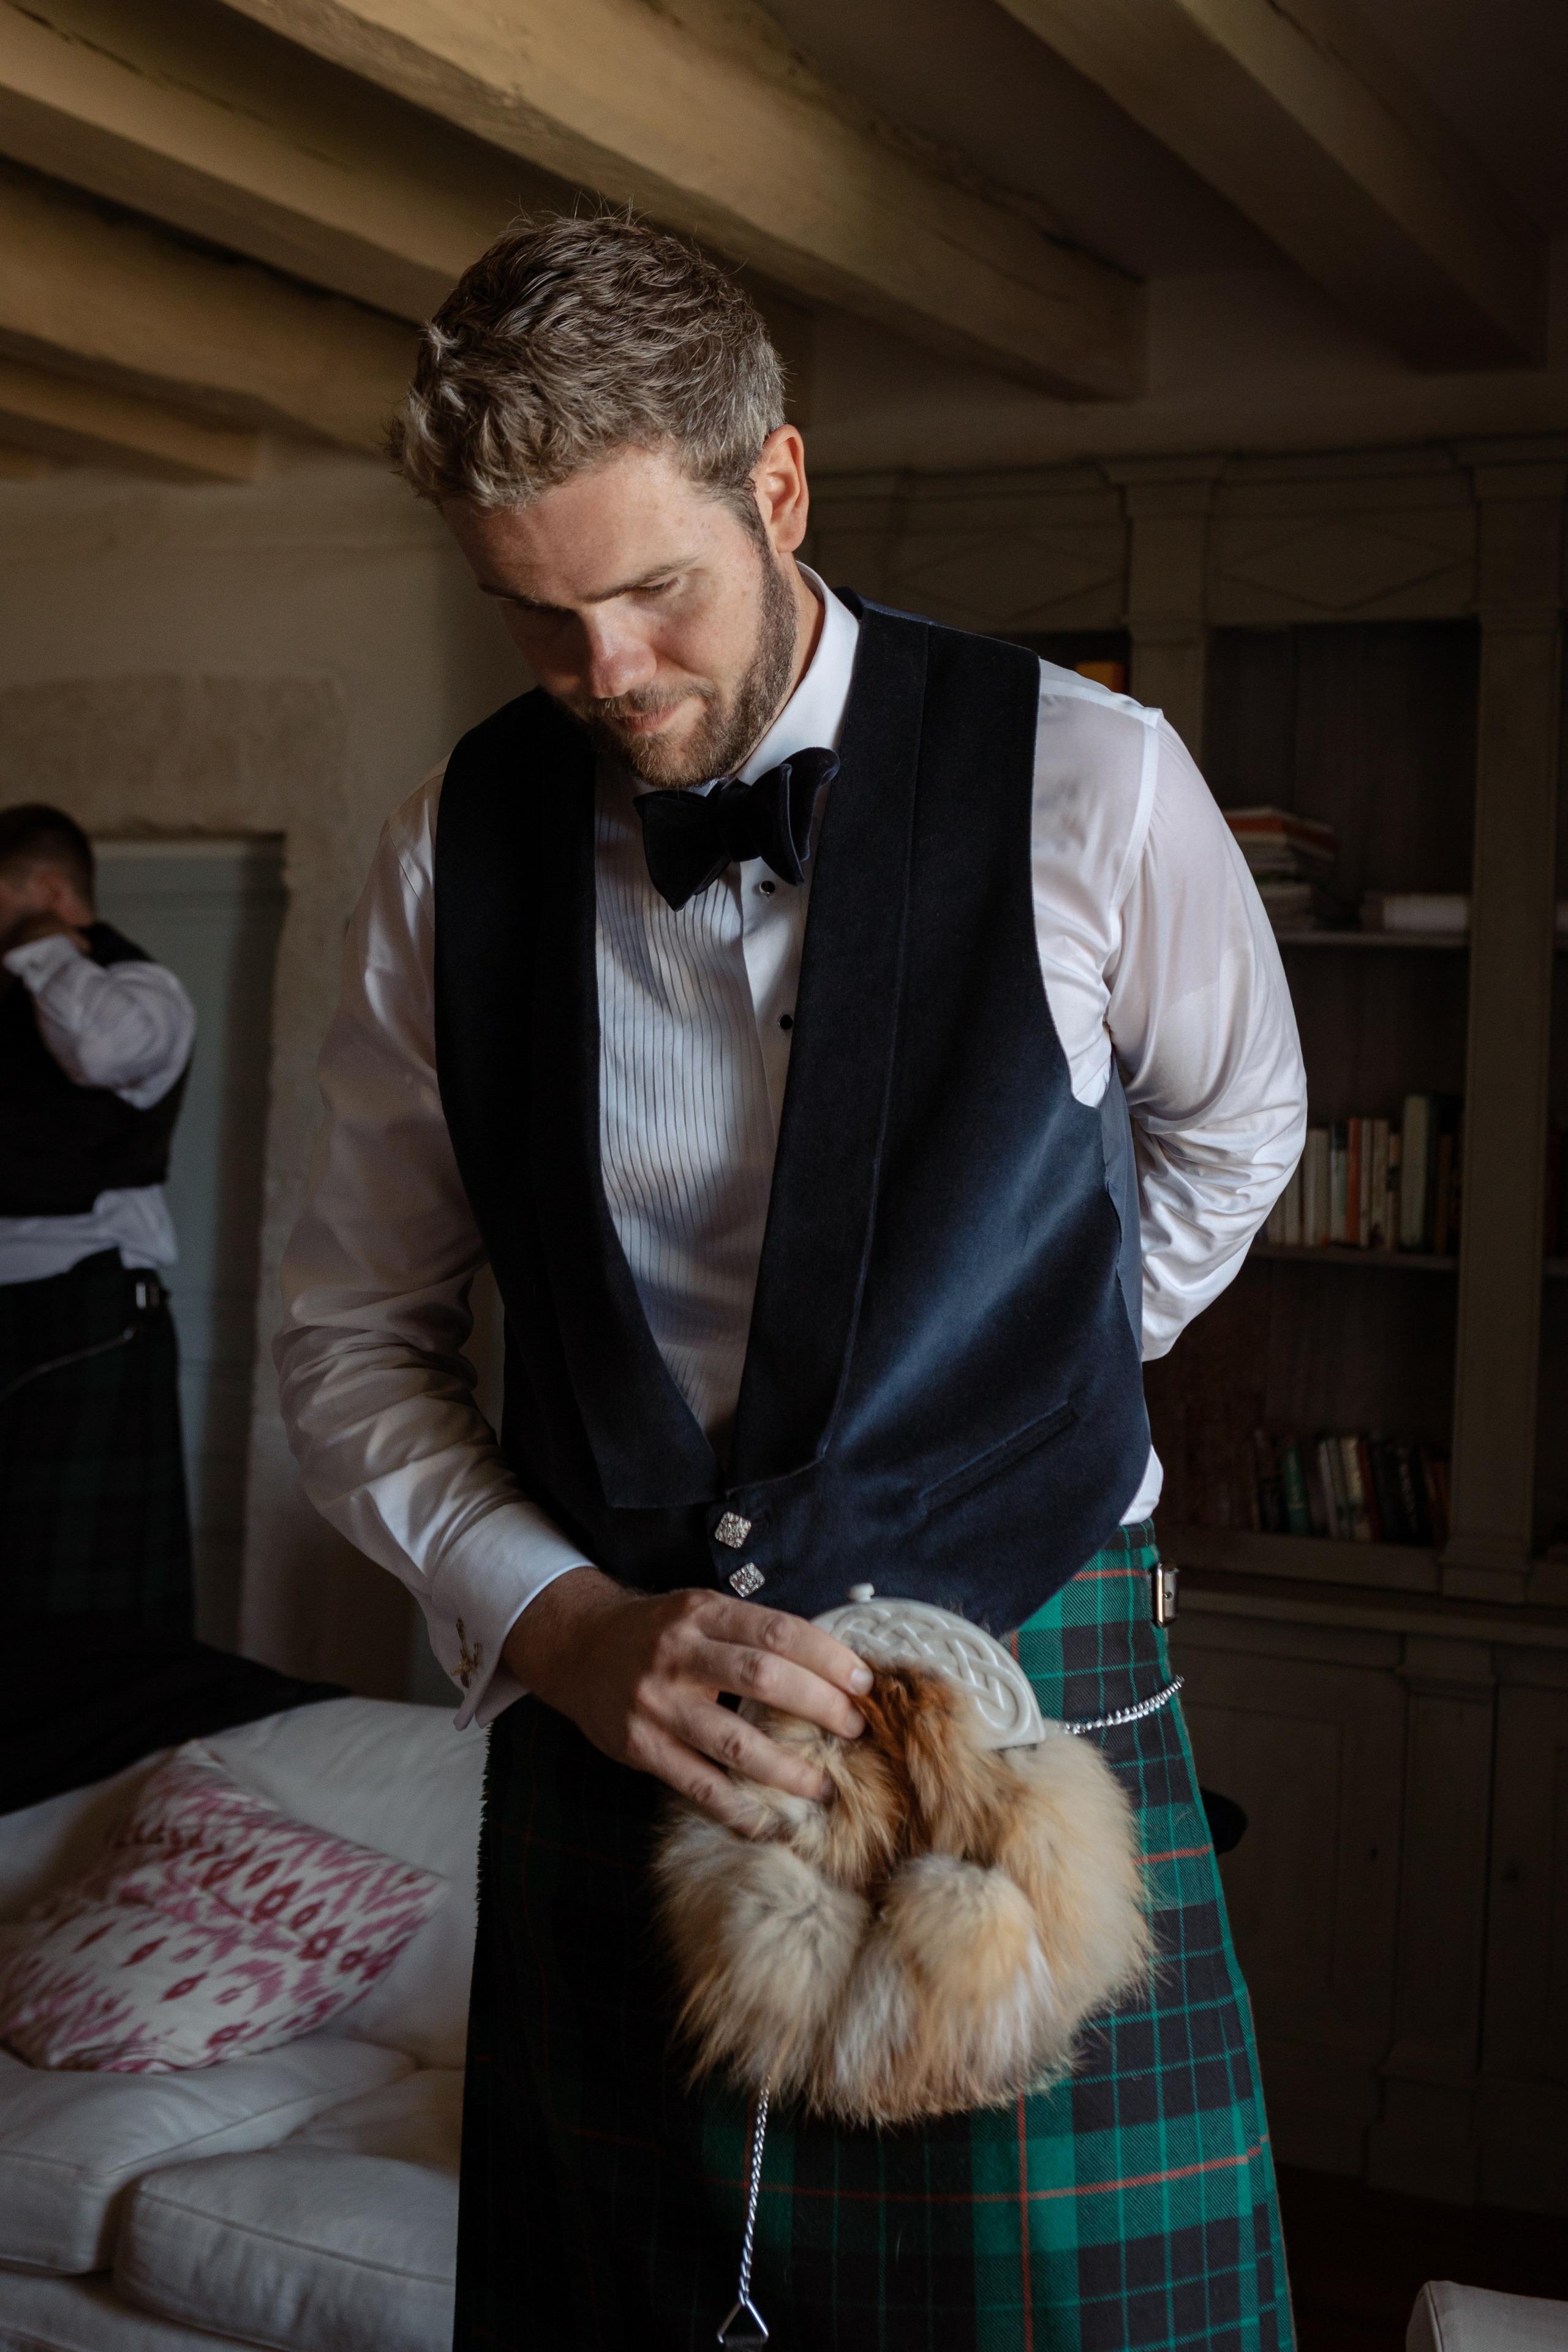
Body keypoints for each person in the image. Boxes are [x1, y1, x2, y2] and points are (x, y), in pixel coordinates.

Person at [276, 214, 1308, 2350]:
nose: (605, 672)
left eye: (655, 588)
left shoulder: (1098, 782)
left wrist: (1010, 1384)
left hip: (1022, 1727)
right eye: (536, 615)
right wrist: (559, 1626)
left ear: (781, 484)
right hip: (617, 1737)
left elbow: (1241, 1130)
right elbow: (350, 1337)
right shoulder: (449, 850)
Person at [0, 802, 197, 1625]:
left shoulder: (140, 989)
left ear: (50, 891)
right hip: (26, 1316)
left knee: (74, 1614)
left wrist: (43, 948)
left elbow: (102, 1051)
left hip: (85, 1319)